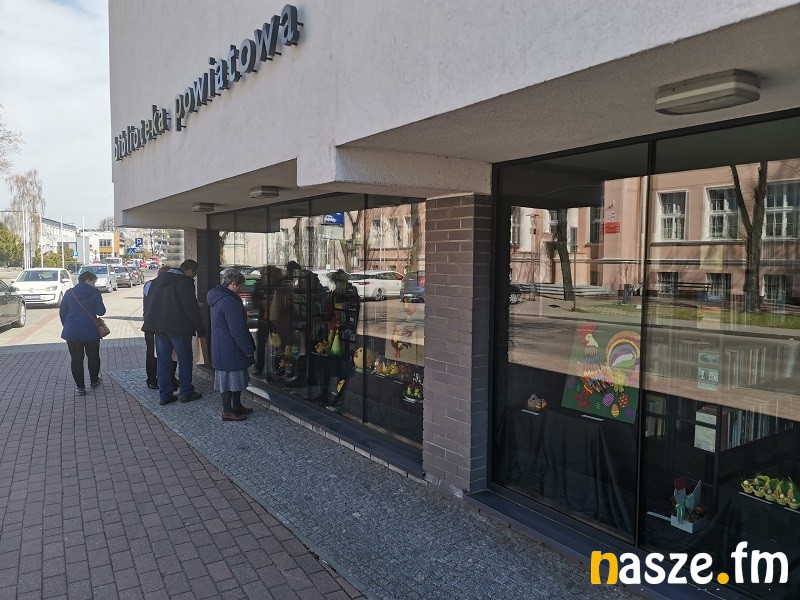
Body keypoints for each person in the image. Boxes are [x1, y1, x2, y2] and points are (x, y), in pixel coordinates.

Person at [142, 259, 205, 405]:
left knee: (163, 362)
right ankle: (186, 392)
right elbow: (191, 308)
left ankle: (165, 395)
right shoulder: (185, 282)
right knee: (185, 360)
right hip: (179, 328)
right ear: (189, 270)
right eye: (194, 273)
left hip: (159, 328)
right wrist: (200, 329)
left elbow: (150, 304)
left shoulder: (157, 281)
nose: (194, 276)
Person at [208, 268, 256, 421]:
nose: (240, 288)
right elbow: (238, 329)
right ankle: (227, 411)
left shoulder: (218, 297)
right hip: (231, 346)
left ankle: (236, 406)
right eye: (240, 285)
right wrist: (248, 349)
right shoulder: (229, 301)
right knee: (229, 380)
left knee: (232, 379)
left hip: (223, 345)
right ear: (233, 284)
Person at [60, 270, 107, 396]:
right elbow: (101, 311)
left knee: (76, 359)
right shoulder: (95, 293)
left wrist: (68, 325)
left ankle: (80, 387)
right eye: (94, 282)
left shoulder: (69, 293)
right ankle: (94, 381)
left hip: (72, 332)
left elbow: (62, 312)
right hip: (91, 331)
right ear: (87, 281)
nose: (94, 285)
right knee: (93, 357)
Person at [143, 265, 178, 390]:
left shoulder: (149, 284)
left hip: (152, 324)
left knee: (157, 353)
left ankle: (162, 378)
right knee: (157, 354)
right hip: (157, 324)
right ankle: (155, 379)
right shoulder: (155, 285)